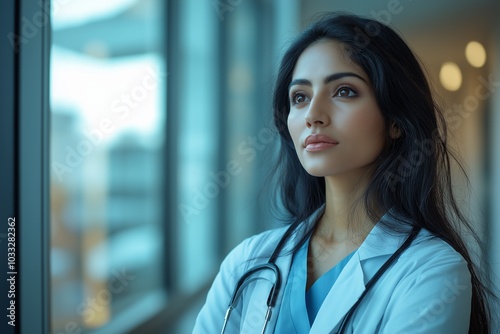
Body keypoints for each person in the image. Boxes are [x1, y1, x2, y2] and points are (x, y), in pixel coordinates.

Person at [193, 13, 493, 333]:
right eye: (300, 97)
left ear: (394, 120)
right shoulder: (248, 262)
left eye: (344, 91)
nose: (313, 115)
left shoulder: (433, 271)